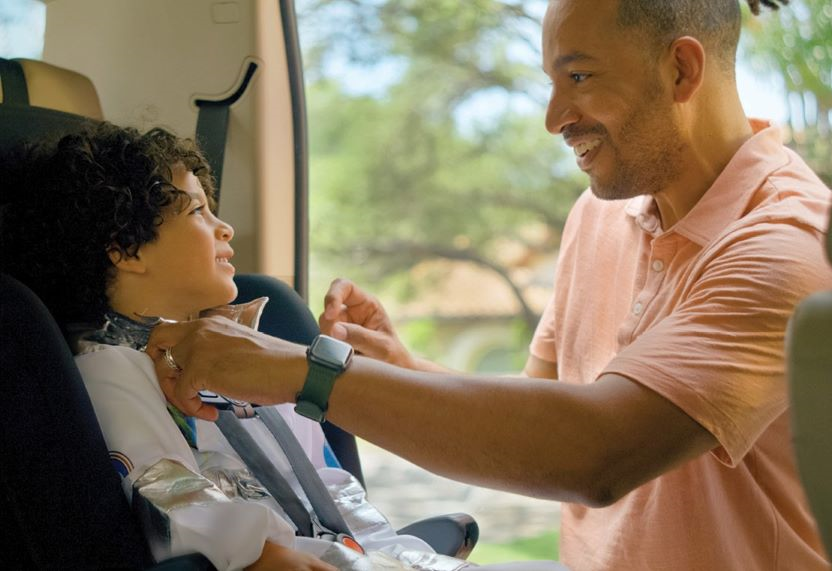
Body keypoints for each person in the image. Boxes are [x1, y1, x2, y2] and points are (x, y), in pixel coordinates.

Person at [150, 0, 832, 568]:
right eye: (551, 82)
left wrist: (302, 373)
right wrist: (400, 367)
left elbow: (593, 454)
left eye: (578, 78)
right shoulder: (599, 217)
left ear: (680, 69)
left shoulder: (787, 244)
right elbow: (543, 413)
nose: (554, 118)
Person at [1, 124, 565, 571]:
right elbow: (166, 492)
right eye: (198, 211)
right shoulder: (109, 371)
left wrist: (387, 545)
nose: (224, 229)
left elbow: (320, 474)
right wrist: (258, 553)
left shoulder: (236, 351)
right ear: (126, 249)